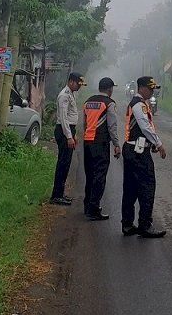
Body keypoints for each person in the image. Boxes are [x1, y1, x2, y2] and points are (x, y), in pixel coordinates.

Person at [121, 76, 167, 238]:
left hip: (135, 148)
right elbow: (145, 127)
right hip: (137, 151)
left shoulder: (140, 104)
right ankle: (145, 225)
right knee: (147, 186)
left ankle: (127, 224)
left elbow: (143, 130)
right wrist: (159, 143)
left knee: (131, 187)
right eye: (150, 88)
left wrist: (151, 144)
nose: (152, 91)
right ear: (141, 88)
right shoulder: (139, 105)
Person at [82, 76, 121, 220]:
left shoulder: (88, 102)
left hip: (88, 142)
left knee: (90, 175)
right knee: (100, 176)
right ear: (110, 89)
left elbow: (85, 124)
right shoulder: (109, 103)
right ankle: (93, 209)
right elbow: (112, 126)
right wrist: (116, 144)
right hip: (100, 143)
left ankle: (87, 206)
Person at [49, 71, 84, 205]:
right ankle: (56, 195)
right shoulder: (64, 96)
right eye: (78, 84)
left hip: (68, 130)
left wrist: (73, 134)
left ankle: (60, 193)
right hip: (64, 131)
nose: (79, 86)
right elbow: (63, 119)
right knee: (63, 163)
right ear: (71, 82)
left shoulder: (71, 94)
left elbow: (70, 117)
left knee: (66, 163)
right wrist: (69, 136)